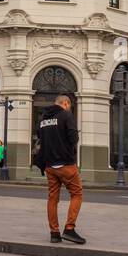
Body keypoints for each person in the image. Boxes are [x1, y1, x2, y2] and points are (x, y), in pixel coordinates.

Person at [34, 95, 84, 244]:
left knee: (52, 199)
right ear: (65, 103)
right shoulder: (66, 115)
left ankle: (54, 233)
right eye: (68, 104)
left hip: (49, 165)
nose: (69, 107)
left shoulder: (43, 119)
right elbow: (74, 138)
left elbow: (39, 136)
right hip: (66, 164)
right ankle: (69, 228)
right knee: (77, 194)